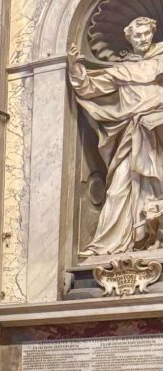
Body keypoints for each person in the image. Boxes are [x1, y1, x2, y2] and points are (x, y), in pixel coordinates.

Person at [68, 18, 163, 256]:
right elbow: (88, 88)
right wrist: (74, 67)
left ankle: (155, 238)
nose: (143, 39)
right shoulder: (120, 70)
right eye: (137, 35)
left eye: (146, 34)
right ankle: (107, 244)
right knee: (118, 188)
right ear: (129, 38)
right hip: (131, 135)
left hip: (158, 133)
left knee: (156, 186)